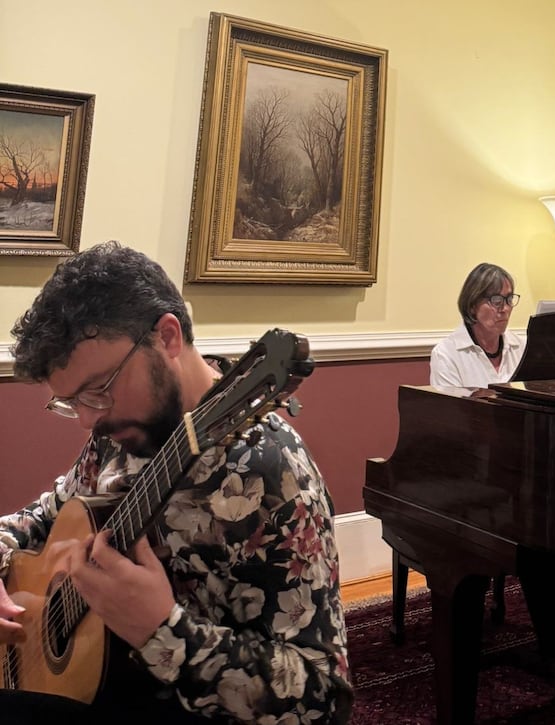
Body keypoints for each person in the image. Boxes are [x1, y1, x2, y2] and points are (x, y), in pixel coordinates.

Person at [0, 241, 352, 724]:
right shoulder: (121, 431)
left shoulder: (270, 472)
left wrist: (162, 630)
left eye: (98, 390)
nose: (86, 419)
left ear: (167, 337)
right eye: (71, 402)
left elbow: (322, 702)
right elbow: (45, 518)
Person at [429, 262, 527, 391]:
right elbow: (449, 403)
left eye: (509, 299)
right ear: (472, 305)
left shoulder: (522, 348)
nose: (505, 309)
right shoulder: (446, 354)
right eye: (496, 301)